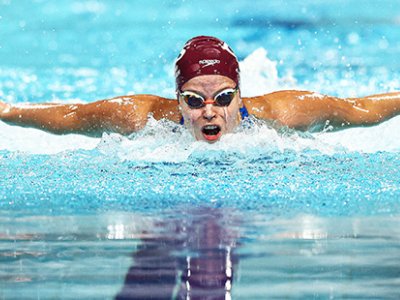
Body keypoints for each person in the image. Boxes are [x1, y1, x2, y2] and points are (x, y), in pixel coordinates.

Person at [0, 35, 399, 143]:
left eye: (224, 98)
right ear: (178, 101)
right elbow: (72, 117)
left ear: (240, 96)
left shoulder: (283, 113)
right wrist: (8, 112)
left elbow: (359, 110)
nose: (209, 111)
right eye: (194, 100)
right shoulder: (141, 117)